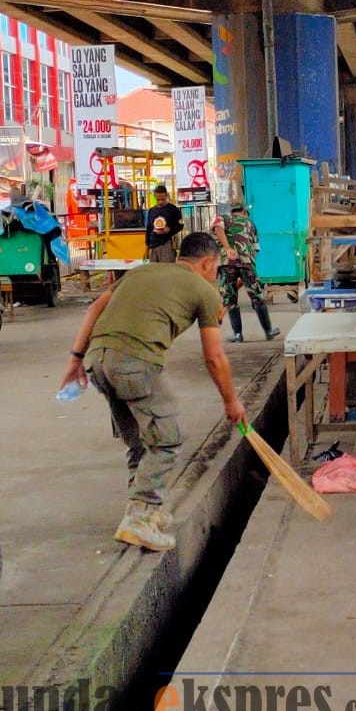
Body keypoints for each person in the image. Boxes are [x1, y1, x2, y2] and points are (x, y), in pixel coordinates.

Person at [59, 232, 247, 552]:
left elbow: (94, 310)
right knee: (167, 437)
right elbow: (214, 357)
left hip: (99, 360)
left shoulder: (141, 271)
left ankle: (140, 511)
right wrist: (231, 401)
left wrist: (75, 359)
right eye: (216, 268)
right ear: (208, 262)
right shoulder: (204, 289)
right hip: (135, 362)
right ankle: (142, 514)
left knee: (139, 440)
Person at [212, 202, 280, 342]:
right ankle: (268, 331)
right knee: (257, 295)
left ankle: (238, 334)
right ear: (244, 212)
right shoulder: (250, 223)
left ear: (232, 211)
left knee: (230, 298)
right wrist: (248, 263)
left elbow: (217, 228)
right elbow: (255, 248)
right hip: (246, 263)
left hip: (227, 264)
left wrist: (227, 248)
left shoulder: (223, 218)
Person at [144, 185, 183, 263]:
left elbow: (180, 225)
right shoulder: (151, 211)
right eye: (158, 199)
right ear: (154, 196)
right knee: (154, 271)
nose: (160, 202)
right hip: (153, 245)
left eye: (163, 199)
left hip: (166, 244)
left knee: (167, 270)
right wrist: (147, 247)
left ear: (166, 195)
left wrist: (169, 230)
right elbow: (149, 229)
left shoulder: (173, 209)